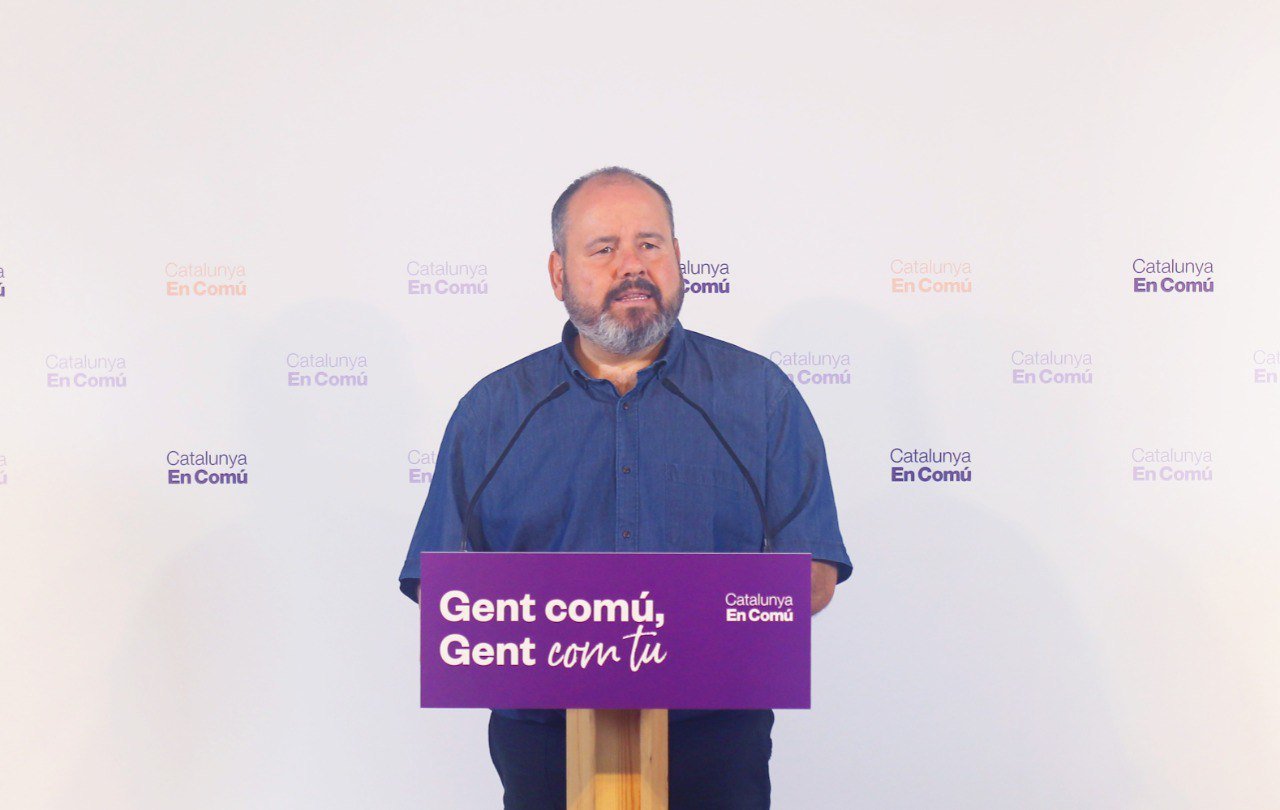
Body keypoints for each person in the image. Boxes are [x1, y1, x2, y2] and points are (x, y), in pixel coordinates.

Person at [399, 166, 851, 809]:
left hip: (714, 743)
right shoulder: (492, 411)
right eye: (604, 249)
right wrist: (582, 634)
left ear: (678, 259)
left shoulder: (761, 397)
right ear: (558, 274)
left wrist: (665, 633)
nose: (632, 266)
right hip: (545, 745)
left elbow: (814, 572)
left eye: (650, 244)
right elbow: (441, 586)